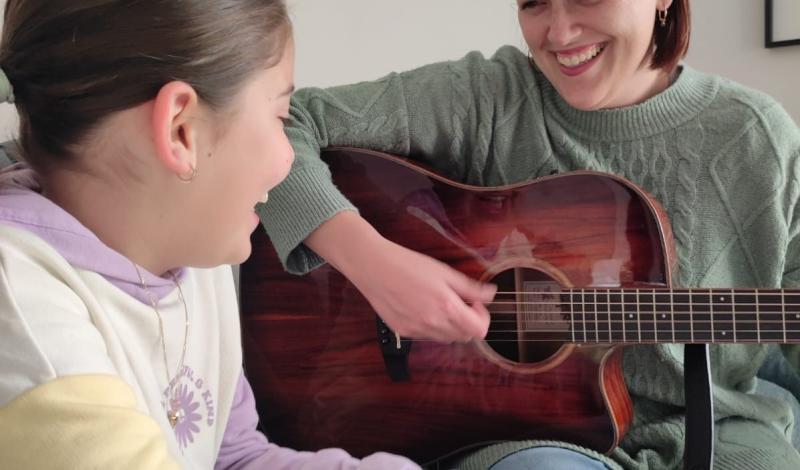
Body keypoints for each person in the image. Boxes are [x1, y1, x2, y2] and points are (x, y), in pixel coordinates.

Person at [259, 0, 800, 468]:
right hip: (528, 437)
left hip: (721, 430)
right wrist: (373, 265)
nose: (558, 34)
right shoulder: (490, 97)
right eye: (533, 3)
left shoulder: (759, 139)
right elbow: (281, 123)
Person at [0, 1, 422, 468]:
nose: (289, 159)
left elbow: (231, 456)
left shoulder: (190, 252)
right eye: (281, 118)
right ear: (182, 130)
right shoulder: (23, 307)